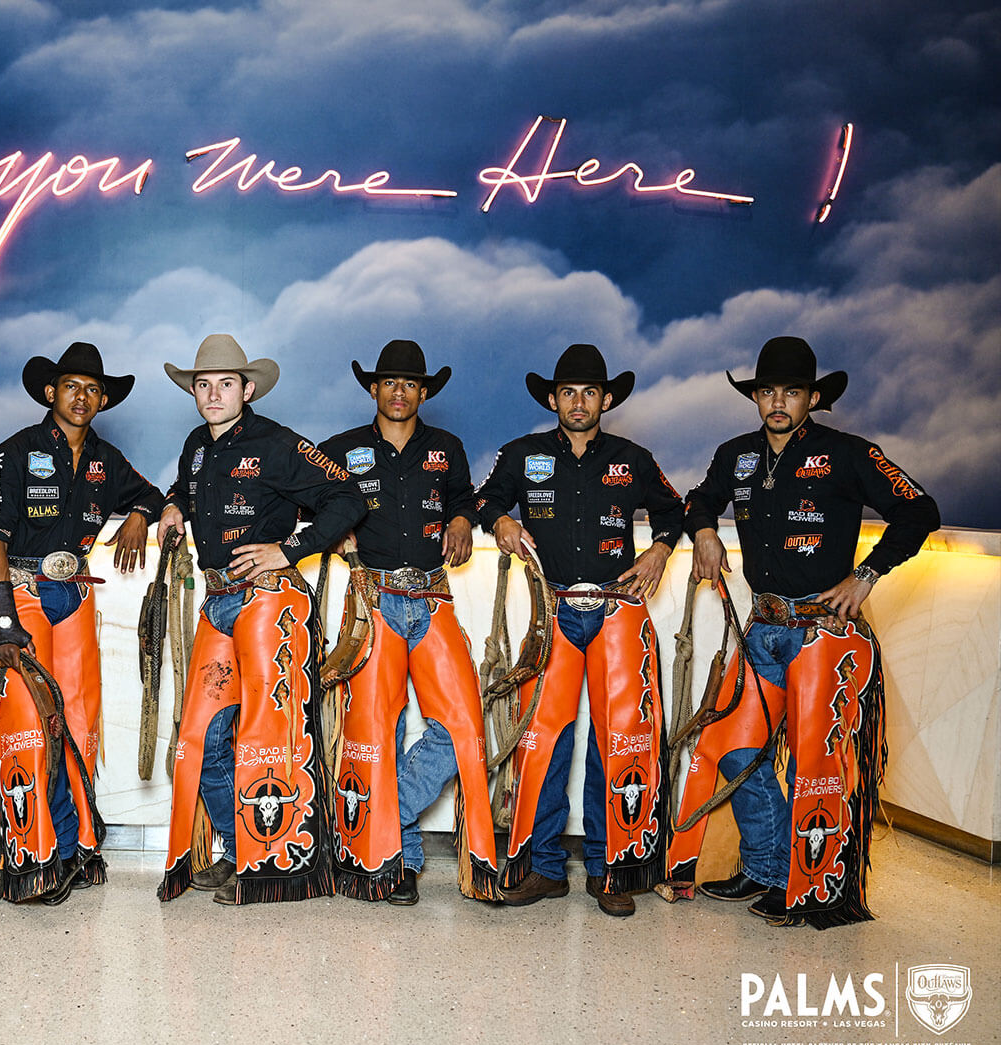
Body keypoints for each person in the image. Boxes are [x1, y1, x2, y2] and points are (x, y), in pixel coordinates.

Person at [670, 336, 939, 927]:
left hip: (823, 634)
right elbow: (697, 500)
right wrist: (705, 532)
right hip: (763, 625)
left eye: (791, 392)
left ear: (812, 398)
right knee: (742, 750)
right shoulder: (736, 454)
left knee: (816, 762)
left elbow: (920, 510)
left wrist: (865, 576)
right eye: (767, 391)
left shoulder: (848, 453)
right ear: (756, 396)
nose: (777, 402)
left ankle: (811, 884)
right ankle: (767, 869)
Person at [156, 334, 365, 906]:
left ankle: (276, 864)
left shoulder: (275, 443)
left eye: (226, 383)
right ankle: (241, 845)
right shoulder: (196, 444)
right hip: (219, 599)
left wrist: (290, 549)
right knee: (202, 737)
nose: (214, 393)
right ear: (193, 392)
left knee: (267, 734)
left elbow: (346, 497)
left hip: (267, 596)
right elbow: (191, 486)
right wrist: (174, 504)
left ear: (248, 389)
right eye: (203, 384)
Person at [476, 344, 682, 917]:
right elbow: (483, 497)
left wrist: (661, 550)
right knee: (544, 740)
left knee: (619, 741)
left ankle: (610, 869)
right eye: (568, 392)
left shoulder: (633, 458)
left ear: (607, 399)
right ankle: (542, 868)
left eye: (590, 392)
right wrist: (501, 520)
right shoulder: (522, 454)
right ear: (552, 398)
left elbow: (675, 510)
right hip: (555, 610)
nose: (579, 402)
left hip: (617, 609)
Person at [0, 342, 165, 898]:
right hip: (23, 592)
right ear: (49, 392)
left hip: (75, 593)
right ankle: (27, 848)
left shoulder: (106, 458)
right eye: (70, 386)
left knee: (79, 719)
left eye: (91, 389)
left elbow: (152, 494)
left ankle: (78, 844)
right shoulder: (14, 453)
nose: (81, 397)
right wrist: (3, 621)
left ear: (102, 399)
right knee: (25, 723)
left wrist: (138, 514)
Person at [317, 340, 498, 906]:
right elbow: (300, 496)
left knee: (462, 726)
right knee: (379, 729)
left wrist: (465, 518)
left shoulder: (447, 447)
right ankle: (396, 860)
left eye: (409, 384)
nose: (398, 392)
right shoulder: (341, 449)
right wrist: (332, 527)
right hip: (373, 598)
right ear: (373, 389)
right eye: (388, 383)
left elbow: (466, 496)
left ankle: (384, 817)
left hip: (431, 597)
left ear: (423, 392)